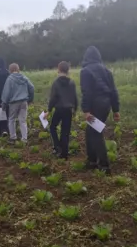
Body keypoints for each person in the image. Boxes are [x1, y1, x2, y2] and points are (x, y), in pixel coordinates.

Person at [80, 46, 120, 174]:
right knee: (90, 131)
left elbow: (87, 92)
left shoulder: (85, 71)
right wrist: (115, 109)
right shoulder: (106, 71)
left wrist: (86, 110)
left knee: (96, 133)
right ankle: (92, 160)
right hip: (106, 105)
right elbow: (113, 91)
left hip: (95, 105)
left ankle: (104, 165)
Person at [47, 61, 79, 159]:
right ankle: (64, 153)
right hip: (68, 109)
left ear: (59, 69)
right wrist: (75, 109)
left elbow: (53, 98)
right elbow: (75, 97)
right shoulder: (72, 82)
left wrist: (49, 110)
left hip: (59, 108)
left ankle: (57, 147)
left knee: (53, 127)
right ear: (67, 70)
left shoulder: (56, 82)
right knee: (65, 131)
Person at [1, 63, 34, 143]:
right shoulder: (24, 77)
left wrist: (4, 104)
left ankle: (13, 137)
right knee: (22, 120)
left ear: (10, 70)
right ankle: (24, 139)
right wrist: (30, 99)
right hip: (24, 102)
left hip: (14, 103)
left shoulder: (9, 79)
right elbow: (32, 87)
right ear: (18, 69)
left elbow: (6, 93)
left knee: (11, 119)